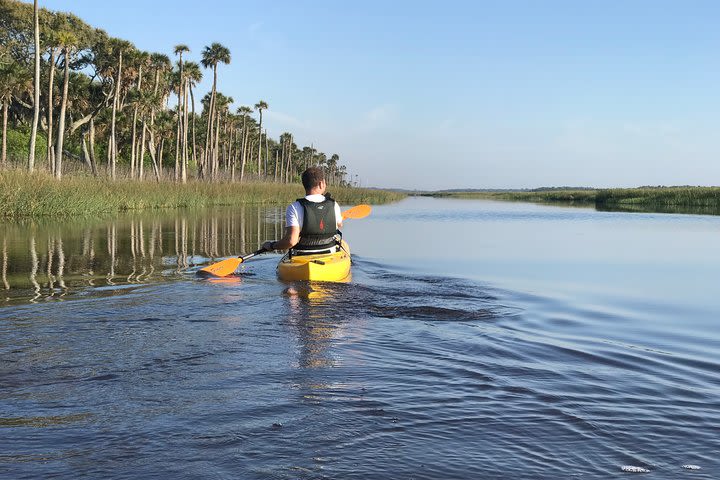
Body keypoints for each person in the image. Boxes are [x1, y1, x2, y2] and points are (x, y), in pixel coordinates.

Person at [262, 166, 343, 254]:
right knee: (342, 242)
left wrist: (272, 245)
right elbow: (339, 224)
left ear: (304, 184)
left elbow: (291, 241)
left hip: (302, 255)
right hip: (329, 253)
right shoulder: (334, 204)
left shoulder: (294, 207)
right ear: (321, 184)